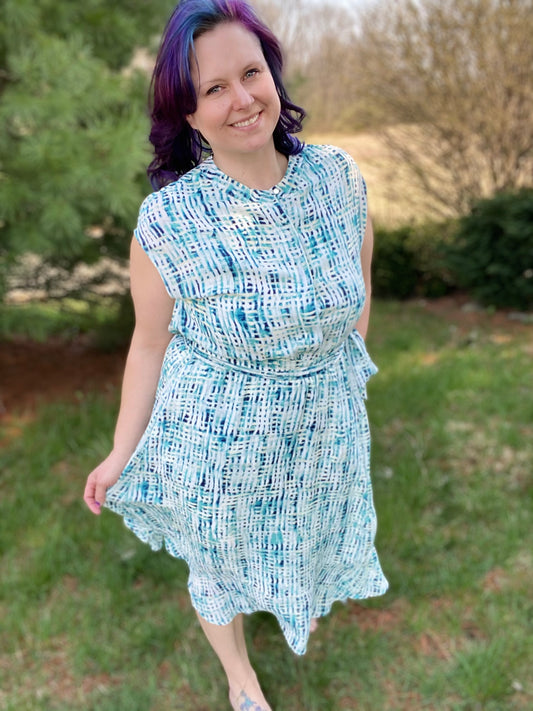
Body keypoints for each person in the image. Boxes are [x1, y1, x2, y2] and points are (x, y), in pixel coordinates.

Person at [83, 0, 388, 709]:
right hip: (217, 430)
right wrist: (120, 449)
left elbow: (358, 286)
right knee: (218, 561)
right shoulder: (169, 221)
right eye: (212, 89)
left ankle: (291, 593)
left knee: (304, 533)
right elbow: (148, 343)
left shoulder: (338, 180)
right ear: (186, 113)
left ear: (273, 75)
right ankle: (241, 679)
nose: (241, 99)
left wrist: (347, 381)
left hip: (321, 422)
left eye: (250, 73)